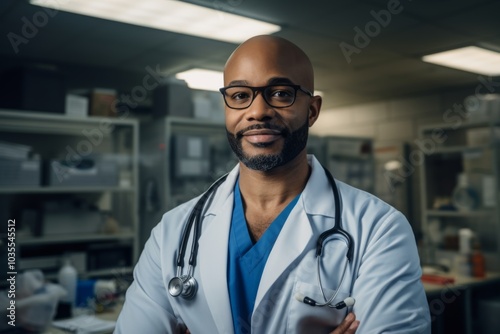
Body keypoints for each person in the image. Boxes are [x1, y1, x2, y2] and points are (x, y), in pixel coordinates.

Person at [115, 35, 431, 333]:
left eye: (280, 93)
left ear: (312, 110)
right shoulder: (173, 232)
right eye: (240, 96)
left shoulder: (378, 228)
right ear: (226, 109)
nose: (258, 111)